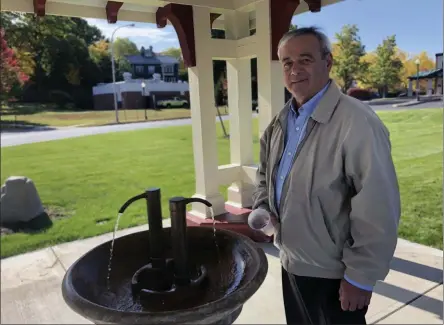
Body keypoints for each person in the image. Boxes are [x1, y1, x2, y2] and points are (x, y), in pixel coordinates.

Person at [252, 26, 401, 325]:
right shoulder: (280, 122)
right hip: (292, 261)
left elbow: (378, 205)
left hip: (334, 274)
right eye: (287, 62)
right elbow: (265, 174)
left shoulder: (357, 123)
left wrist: (361, 277)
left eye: (305, 60)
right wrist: (263, 206)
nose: (295, 70)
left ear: (328, 63)